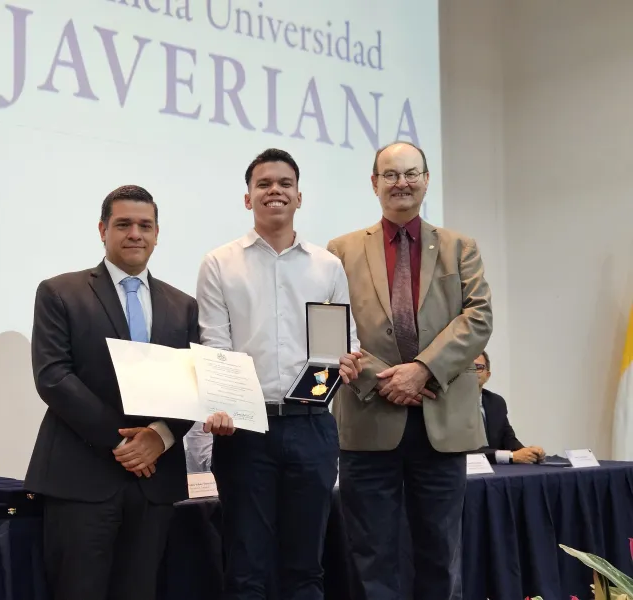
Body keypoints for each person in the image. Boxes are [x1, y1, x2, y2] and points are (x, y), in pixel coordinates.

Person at [24, 184, 231, 600]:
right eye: (123, 224)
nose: (135, 233)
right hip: (81, 479)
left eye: (145, 225)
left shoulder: (183, 306)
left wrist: (159, 437)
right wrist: (125, 443)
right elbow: (53, 377)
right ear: (103, 230)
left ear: (157, 234)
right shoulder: (59, 292)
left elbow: (192, 383)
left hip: (154, 485)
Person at [327, 141, 493, 600]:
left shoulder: (460, 248)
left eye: (411, 173)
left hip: (442, 419)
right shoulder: (339, 251)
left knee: (440, 555)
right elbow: (331, 327)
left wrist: (421, 370)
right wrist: (385, 379)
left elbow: (478, 318)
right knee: (371, 557)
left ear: (426, 179)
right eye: (391, 174)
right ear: (374, 183)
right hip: (368, 417)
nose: (401, 182)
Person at [196, 148, 362, 600]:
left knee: (305, 568)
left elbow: (342, 342)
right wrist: (222, 405)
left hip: (312, 425)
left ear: (299, 197)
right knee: (246, 567)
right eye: (264, 184)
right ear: (247, 198)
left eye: (285, 183)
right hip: (245, 432)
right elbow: (215, 344)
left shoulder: (327, 265)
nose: (275, 191)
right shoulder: (219, 263)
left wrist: (348, 359)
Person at [475, 350, 545, 464]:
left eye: (478, 367)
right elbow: (465, 451)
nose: (472, 372)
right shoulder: (450, 406)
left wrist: (528, 452)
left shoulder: (496, 402)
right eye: (467, 367)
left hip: (497, 470)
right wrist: (511, 456)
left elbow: (508, 438)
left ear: (487, 375)